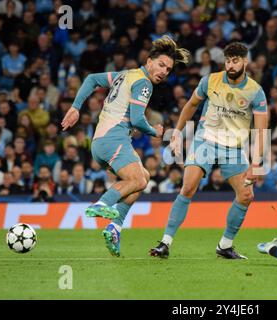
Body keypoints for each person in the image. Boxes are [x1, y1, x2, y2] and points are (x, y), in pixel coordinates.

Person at [61, 36, 190, 257]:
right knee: (138, 180)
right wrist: (156, 132)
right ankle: (102, 203)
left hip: (100, 143)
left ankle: (115, 227)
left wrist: (76, 107)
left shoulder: (125, 74)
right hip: (114, 139)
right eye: (161, 65)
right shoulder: (144, 83)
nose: (163, 71)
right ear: (149, 61)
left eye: (168, 69)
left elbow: (92, 79)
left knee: (144, 176)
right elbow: (138, 120)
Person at [150, 42, 268, 259]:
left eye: (236, 61)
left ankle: (225, 246)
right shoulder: (210, 80)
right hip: (205, 140)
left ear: (245, 62)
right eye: (228, 61)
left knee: (246, 195)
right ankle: (165, 243)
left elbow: (261, 130)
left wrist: (256, 163)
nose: (231, 65)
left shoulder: (256, 92)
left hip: (233, 148)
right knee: (188, 187)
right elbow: (191, 105)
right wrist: (176, 133)